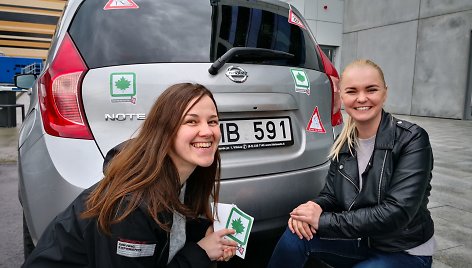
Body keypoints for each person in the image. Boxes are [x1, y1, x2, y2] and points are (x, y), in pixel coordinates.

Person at [23, 83, 238, 267]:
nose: (208, 131)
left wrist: (206, 234)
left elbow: (170, 231)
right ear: (164, 130)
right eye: (191, 121)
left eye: (213, 121)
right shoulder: (131, 205)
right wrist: (200, 253)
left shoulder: (184, 177)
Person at [267, 59, 435, 268]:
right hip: (361, 240)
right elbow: (331, 195)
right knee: (296, 235)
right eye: (352, 91)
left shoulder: (412, 139)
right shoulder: (344, 143)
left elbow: (397, 212)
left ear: (385, 92)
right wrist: (311, 209)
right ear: (342, 96)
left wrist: (322, 221)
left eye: (371, 89)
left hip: (405, 250)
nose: (362, 98)